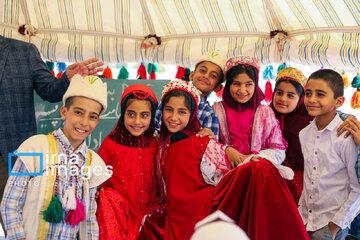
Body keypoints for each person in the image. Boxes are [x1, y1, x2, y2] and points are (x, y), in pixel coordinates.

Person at [157, 80, 308, 240]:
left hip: (198, 211)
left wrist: (249, 164)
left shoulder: (202, 142)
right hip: (172, 211)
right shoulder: (159, 142)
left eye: (182, 112)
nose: (174, 117)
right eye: (169, 110)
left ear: (192, 113)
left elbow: (224, 172)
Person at [0, 75, 111, 239]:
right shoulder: (35, 148)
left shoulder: (92, 162)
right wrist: (18, 237)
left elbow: (89, 217)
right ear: (64, 112)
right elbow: (10, 202)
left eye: (92, 116)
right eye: (78, 112)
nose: (84, 122)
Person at [0, 35, 104, 205]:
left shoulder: (23, 51)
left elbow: (50, 91)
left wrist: (67, 79)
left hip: (16, 154)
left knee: (22, 218)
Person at [271, 67, 358, 204]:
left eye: (290, 95)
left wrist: (346, 116)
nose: (282, 99)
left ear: (299, 98)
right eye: (279, 93)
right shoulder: (265, 116)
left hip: (306, 189)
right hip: (274, 182)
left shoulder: (309, 123)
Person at [298, 69, 360, 240]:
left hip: (331, 223)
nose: (311, 99)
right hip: (305, 219)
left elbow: (357, 188)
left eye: (320, 94)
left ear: (339, 101)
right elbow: (309, 177)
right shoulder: (304, 133)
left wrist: (335, 225)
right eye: (308, 93)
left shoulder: (346, 137)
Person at [96, 84, 159, 240]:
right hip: (119, 219)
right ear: (123, 113)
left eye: (144, 115)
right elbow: (98, 181)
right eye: (131, 114)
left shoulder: (155, 144)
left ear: (152, 117)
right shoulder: (110, 145)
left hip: (149, 220)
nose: (137, 121)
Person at [154, 50, 226, 139]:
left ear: (218, 87)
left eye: (213, 76)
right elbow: (154, 129)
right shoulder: (170, 100)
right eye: (203, 70)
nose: (206, 76)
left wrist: (208, 138)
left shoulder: (208, 114)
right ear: (192, 75)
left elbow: (210, 147)